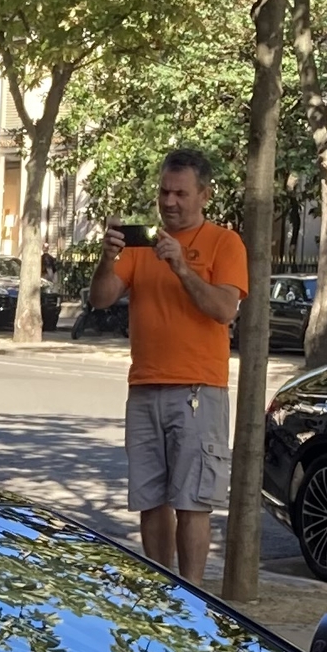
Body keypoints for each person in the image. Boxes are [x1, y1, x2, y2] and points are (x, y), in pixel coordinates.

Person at [87, 145, 249, 583]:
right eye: (164, 192)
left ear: (204, 196)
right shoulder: (143, 246)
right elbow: (100, 299)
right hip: (144, 388)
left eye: (180, 193)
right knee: (150, 499)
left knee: (192, 500)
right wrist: (107, 257)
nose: (170, 202)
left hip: (199, 389)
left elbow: (224, 309)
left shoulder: (224, 242)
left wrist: (182, 267)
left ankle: (192, 596)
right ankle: (161, 591)